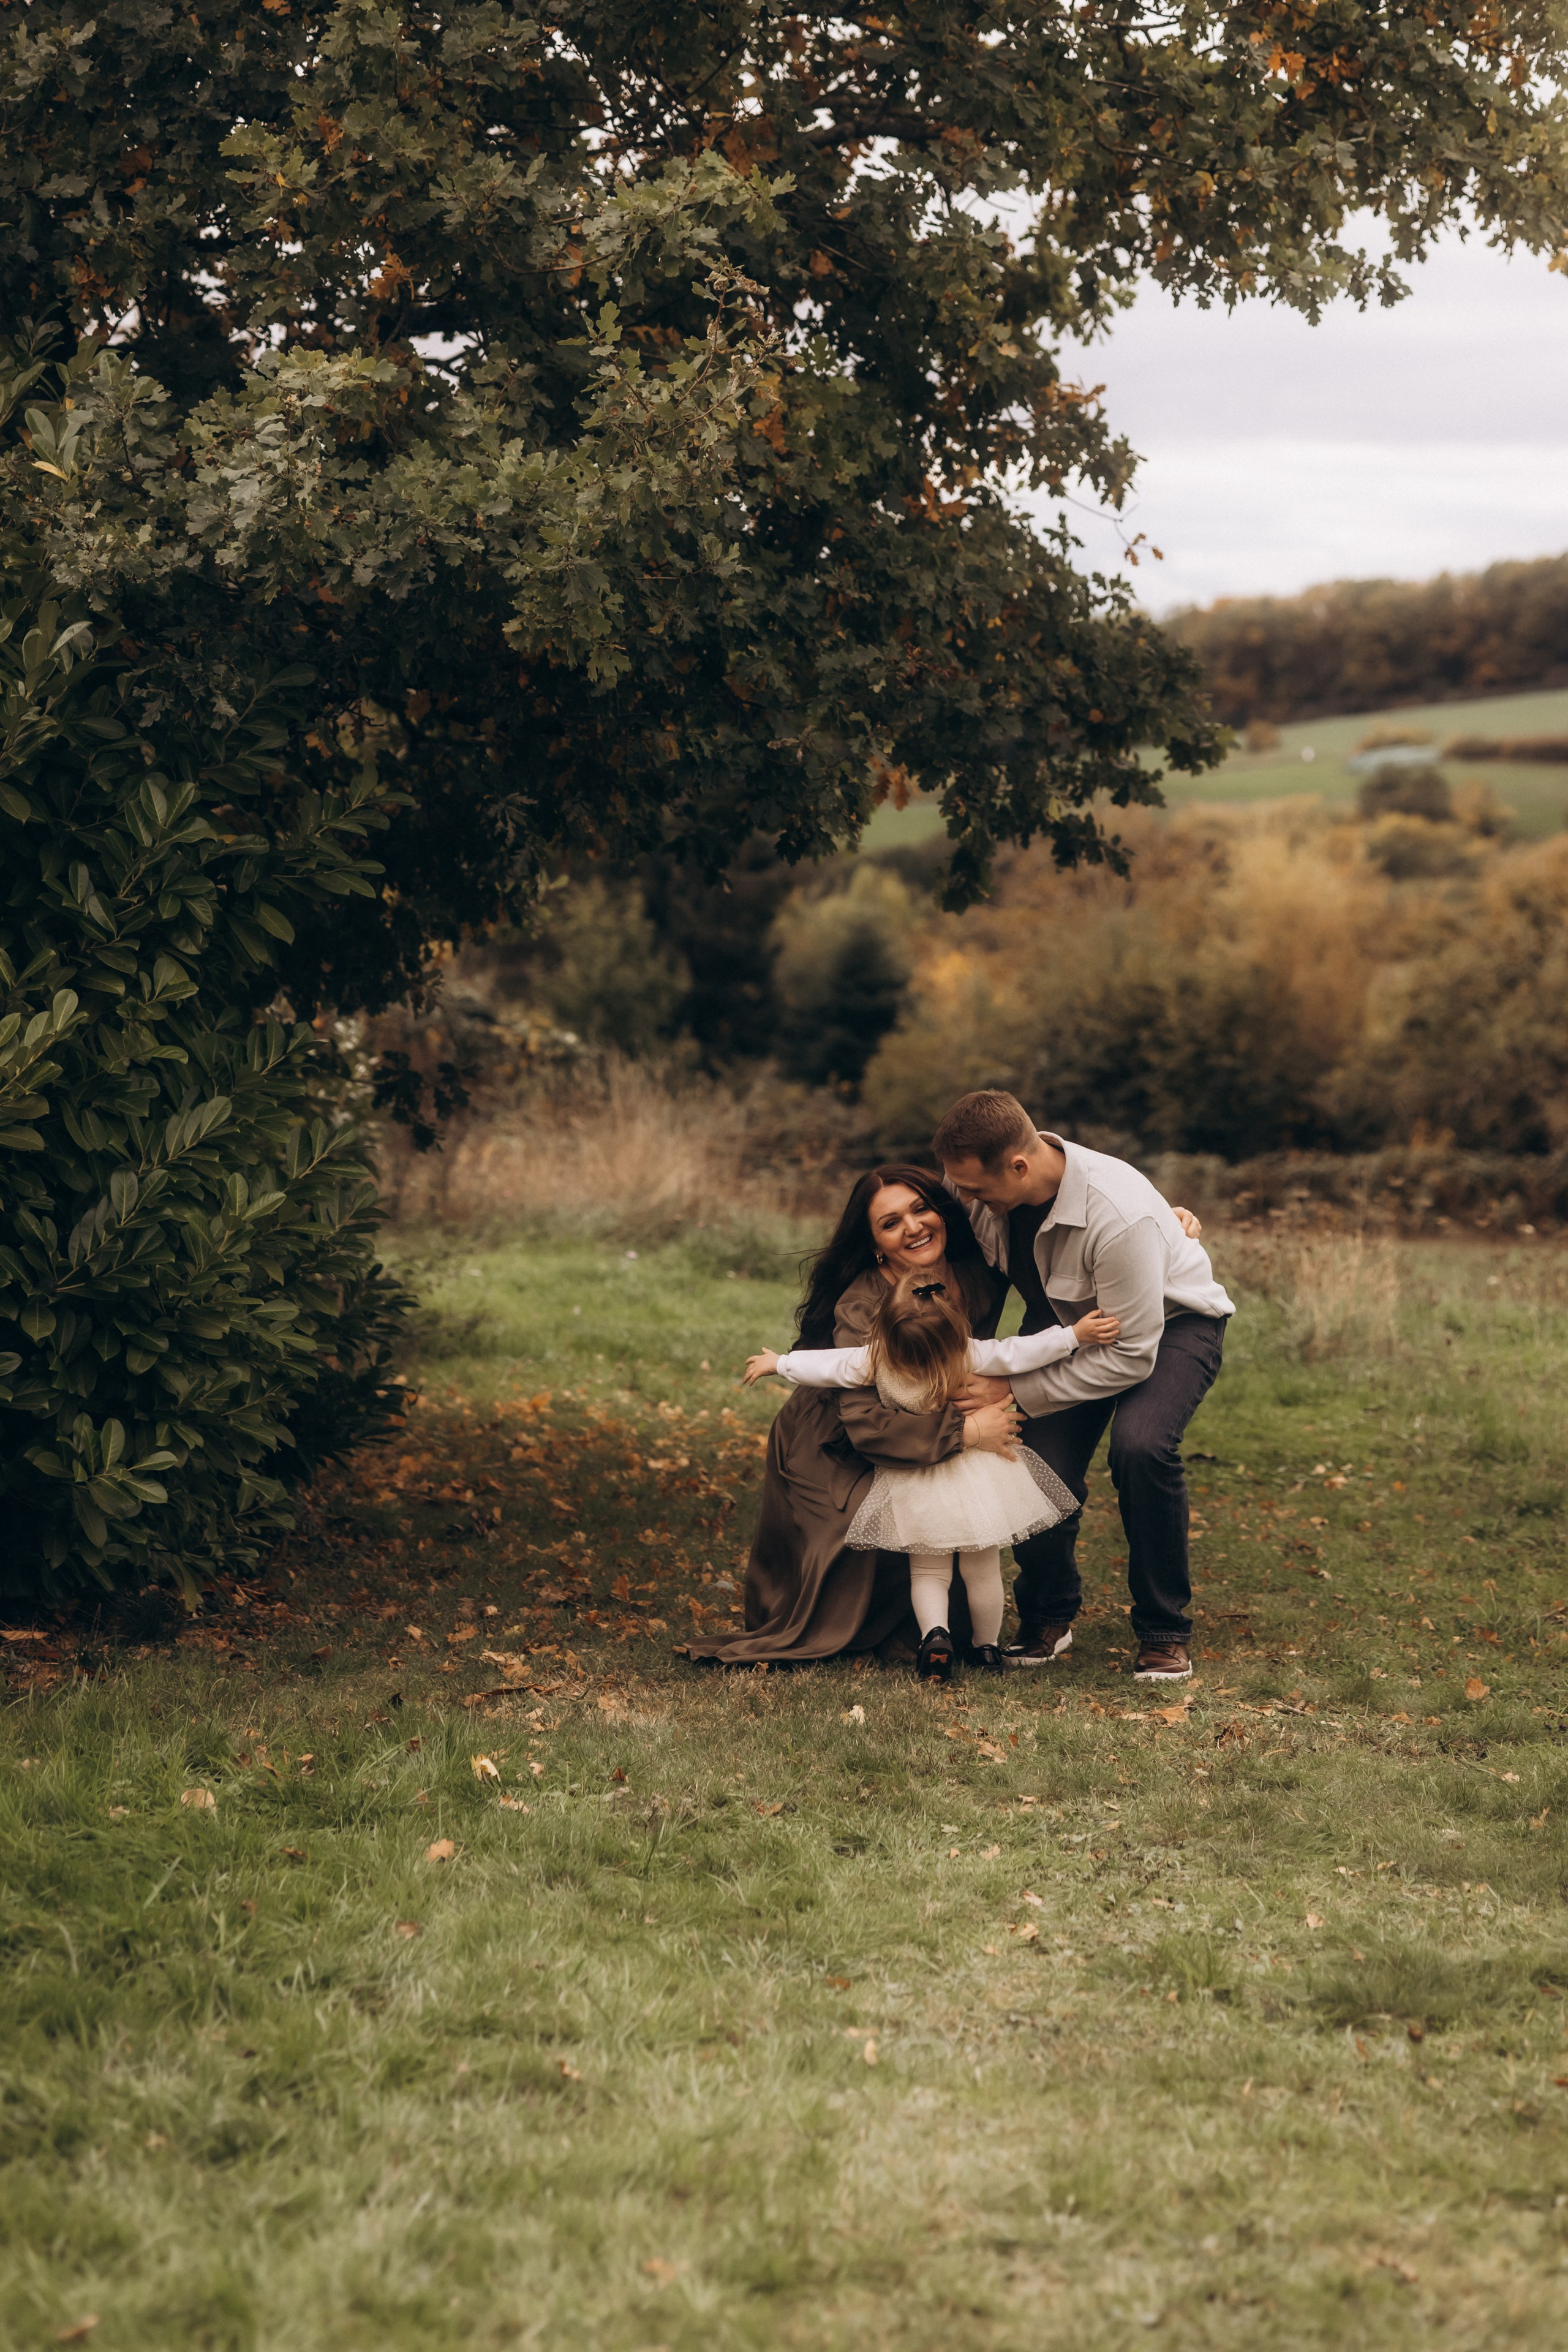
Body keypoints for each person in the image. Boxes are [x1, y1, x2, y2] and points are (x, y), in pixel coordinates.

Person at [932, 1090, 1235, 1683]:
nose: (962, 1200)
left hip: (1169, 1326)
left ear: (1018, 1166)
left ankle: (1163, 1631)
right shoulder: (980, 1188)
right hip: (1064, 1324)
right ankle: (1048, 1615)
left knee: (1141, 1446)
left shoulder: (1116, 1215)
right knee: (1028, 1457)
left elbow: (1128, 1357)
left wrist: (1013, 1392)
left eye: (972, 1189)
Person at [680, 1165, 1022, 1667]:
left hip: (920, 1419)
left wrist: (1170, 1229)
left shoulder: (976, 1274)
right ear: (877, 1245)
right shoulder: (863, 1306)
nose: (913, 1227)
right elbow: (866, 1423)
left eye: (921, 1209)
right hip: (839, 1435)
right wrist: (967, 1430)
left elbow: (1050, 1255)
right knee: (874, 1519)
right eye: (891, 1222)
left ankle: (946, 1632)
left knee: (964, 1533)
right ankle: (889, 1626)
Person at [744, 1273, 1121, 1679]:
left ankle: (934, 1637)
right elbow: (1018, 1353)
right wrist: (1073, 1336)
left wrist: (780, 1364)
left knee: (928, 1571)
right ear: (955, 1326)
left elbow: (829, 1366)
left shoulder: (876, 1359)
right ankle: (987, 1647)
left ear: (884, 1329)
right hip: (976, 1472)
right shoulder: (965, 1352)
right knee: (982, 1569)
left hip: (919, 1478)